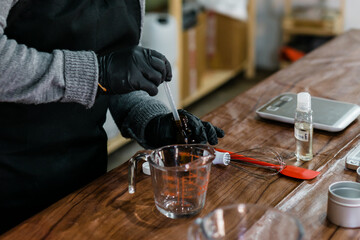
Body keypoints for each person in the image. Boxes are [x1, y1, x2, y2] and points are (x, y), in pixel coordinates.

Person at [0, 0, 225, 233]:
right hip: (12, 177)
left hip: (86, 173)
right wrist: (99, 73)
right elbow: (100, 73)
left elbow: (113, 78)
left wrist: (152, 121)